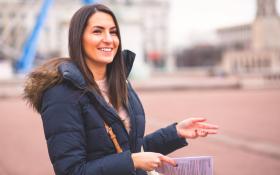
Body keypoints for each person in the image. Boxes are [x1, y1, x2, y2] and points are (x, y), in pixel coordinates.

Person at [24, 3, 218, 175]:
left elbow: (129, 148)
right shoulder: (61, 92)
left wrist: (175, 132)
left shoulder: (120, 82)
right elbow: (71, 170)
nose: (109, 39)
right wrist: (131, 162)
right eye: (97, 31)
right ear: (78, 39)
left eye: (113, 31)